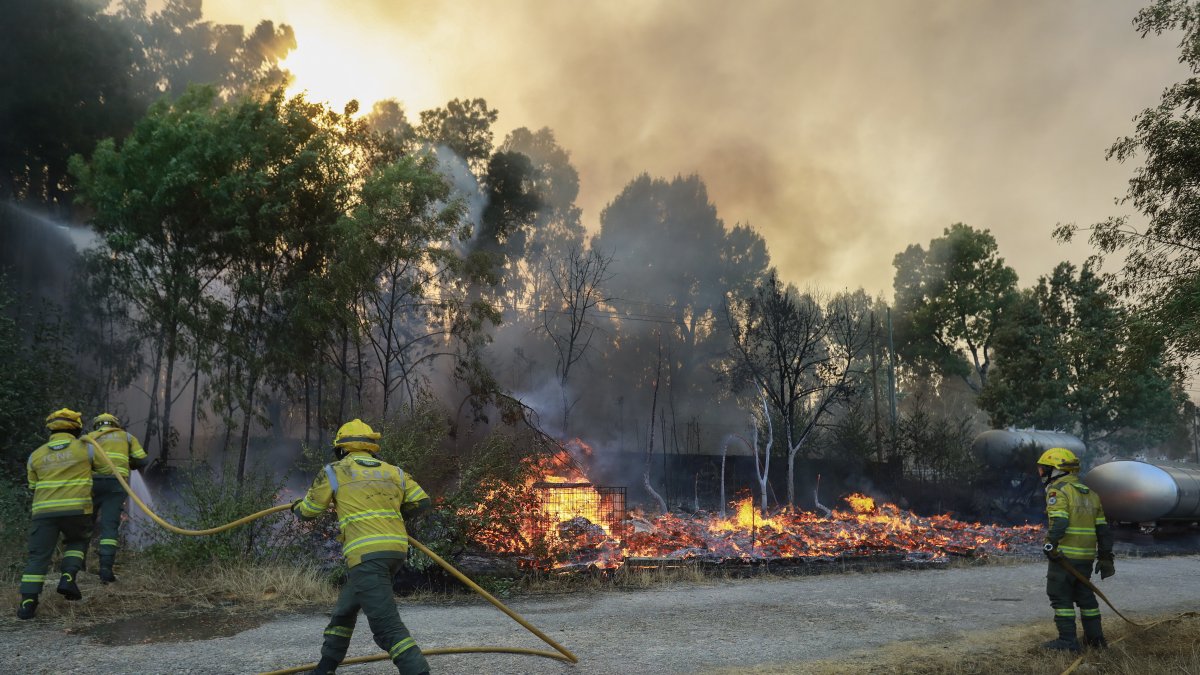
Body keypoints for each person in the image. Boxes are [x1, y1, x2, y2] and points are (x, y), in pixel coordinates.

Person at [293, 419, 433, 675]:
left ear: (341, 448)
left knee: (386, 627)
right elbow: (421, 502)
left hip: (366, 557)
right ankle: (325, 668)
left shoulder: (335, 471)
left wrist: (296, 508)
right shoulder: (394, 472)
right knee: (344, 611)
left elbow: (310, 511)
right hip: (394, 552)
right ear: (371, 448)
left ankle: (418, 671)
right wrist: (390, 513)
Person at [18, 408, 104, 619]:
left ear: (50, 429)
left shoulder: (35, 455)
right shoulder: (86, 448)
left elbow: (32, 485)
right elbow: (104, 469)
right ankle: (67, 576)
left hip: (44, 512)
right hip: (77, 509)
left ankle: (28, 603)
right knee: (77, 541)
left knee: (38, 556)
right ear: (76, 428)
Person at [1037, 447, 1115, 651]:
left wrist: (1050, 543)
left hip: (1064, 556)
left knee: (1059, 596)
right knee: (1085, 596)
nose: (1042, 474)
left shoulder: (1058, 491)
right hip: (1086, 558)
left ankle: (1067, 641)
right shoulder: (1091, 494)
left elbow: (1060, 523)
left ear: (1056, 470)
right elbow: (1103, 530)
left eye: (1044, 469)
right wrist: (1106, 557)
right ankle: (1096, 640)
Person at [84, 412, 148, 582]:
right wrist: (129, 463)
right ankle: (105, 570)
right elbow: (142, 461)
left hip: (92, 485)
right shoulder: (127, 437)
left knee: (84, 524)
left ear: (97, 425)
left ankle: (77, 566)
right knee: (109, 526)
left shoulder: (89, 437)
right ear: (116, 424)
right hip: (116, 485)